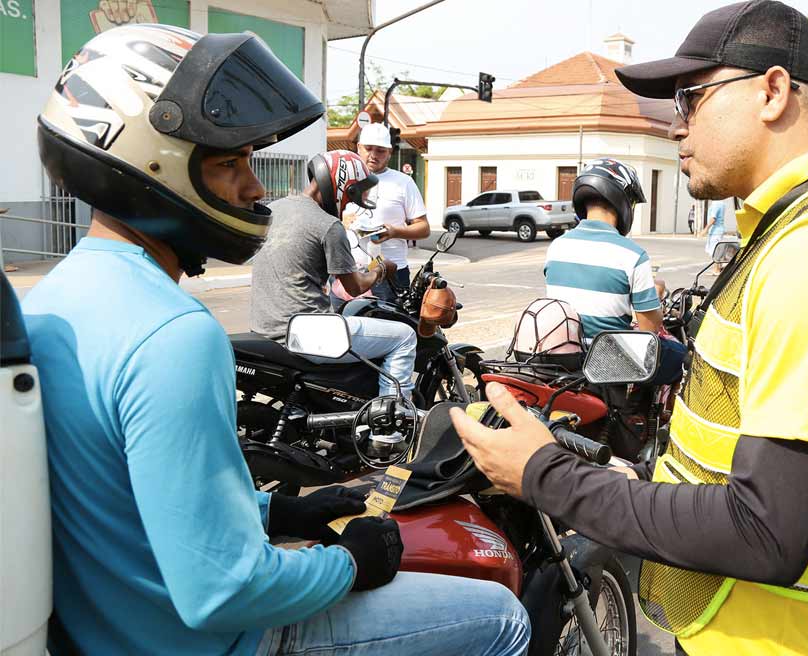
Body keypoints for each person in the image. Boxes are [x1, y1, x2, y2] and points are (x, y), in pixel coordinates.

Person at [23, 24, 528, 656]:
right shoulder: (171, 335)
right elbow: (223, 590)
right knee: (502, 614)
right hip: (209, 640)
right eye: (230, 164)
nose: (256, 188)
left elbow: (126, 503)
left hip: (112, 622)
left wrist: (279, 515)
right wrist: (351, 561)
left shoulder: (52, 301)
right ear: (149, 163)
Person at [450, 2, 808, 655]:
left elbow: (766, 530)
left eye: (691, 99)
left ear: (772, 91)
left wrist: (544, 474)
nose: (676, 127)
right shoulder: (789, 230)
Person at [250, 150, 417, 397]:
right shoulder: (328, 225)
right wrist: (382, 269)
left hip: (263, 328)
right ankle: (391, 425)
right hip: (307, 333)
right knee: (405, 337)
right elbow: (355, 287)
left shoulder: (274, 209)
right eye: (352, 196)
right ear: (341, 187)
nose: (350, 204)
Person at [544, 158, 687, 385]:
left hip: (564, 354)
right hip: (607, 360)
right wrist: (656, 294)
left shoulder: (557, 246)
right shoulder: (632, 254)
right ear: (622, 200)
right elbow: (648, 330)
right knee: (682, 357)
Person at [353, 123, 430, 301]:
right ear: (358, 148)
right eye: (368, 148)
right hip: (349, 272)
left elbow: (423, 228)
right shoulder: (347, 177)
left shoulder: (403, 182)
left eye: (380, 150)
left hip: (391, 273)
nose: (373, 155)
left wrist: (394, 232)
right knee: (342, 326)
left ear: (390, 152)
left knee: (390, 327)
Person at [700, 200, 728, 274]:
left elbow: (713, 218)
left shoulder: (716, 204)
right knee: (717, 250)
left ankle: (716, 270)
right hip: (719, 230)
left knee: (715, 251)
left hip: (715, 231)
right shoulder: (722, 203)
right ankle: (719, 268)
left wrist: (705, 229)